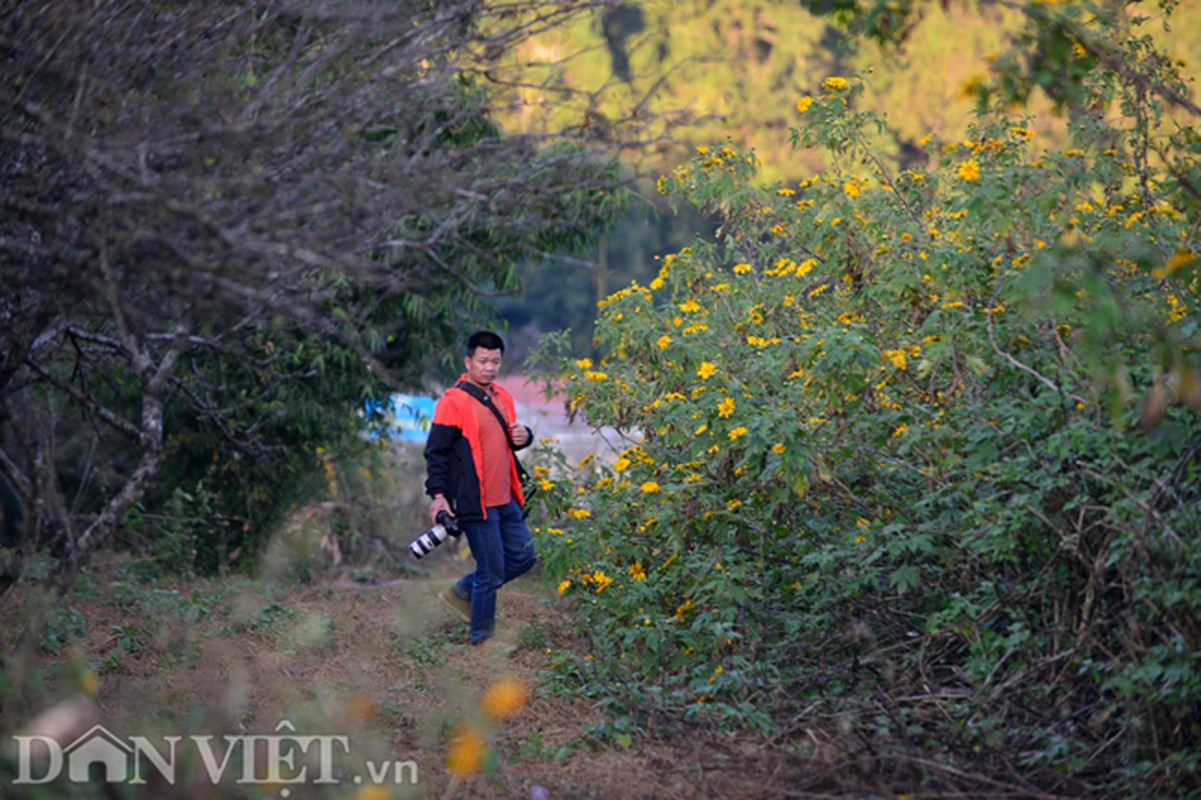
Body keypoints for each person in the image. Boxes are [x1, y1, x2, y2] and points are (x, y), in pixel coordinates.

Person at [424, 330, 537, 645]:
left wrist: (525, 436)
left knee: (525, 557)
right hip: (477, 502)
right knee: (491, 572)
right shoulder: (453, 402)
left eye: (495, 361)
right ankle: (482, 640)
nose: (489, 367)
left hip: (506, 498)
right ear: (468, 361)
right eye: (483, 361)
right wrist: (439, 498)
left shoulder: (503, 398)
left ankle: (461, 592)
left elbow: (506, 441)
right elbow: (436, 454)